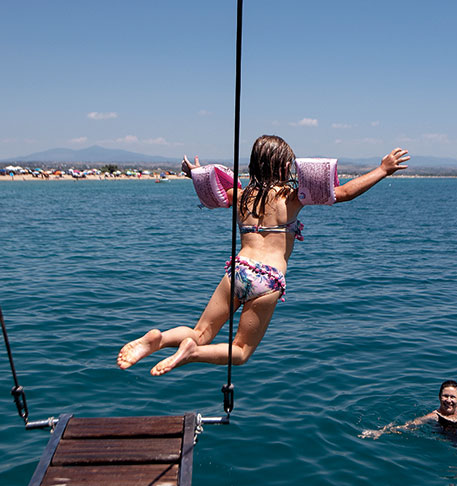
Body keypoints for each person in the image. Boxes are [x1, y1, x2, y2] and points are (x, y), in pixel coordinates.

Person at [118, 134, 410, 376]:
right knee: (241, 351)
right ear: (285, 166)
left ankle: (159, 341)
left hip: (238, 271)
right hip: (266, 280)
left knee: (201, 331)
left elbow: (213, 189)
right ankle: (192, 355)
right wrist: (383, 169)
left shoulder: (241, 195)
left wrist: (193, 173)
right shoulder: (291, 197)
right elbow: (344, 192)